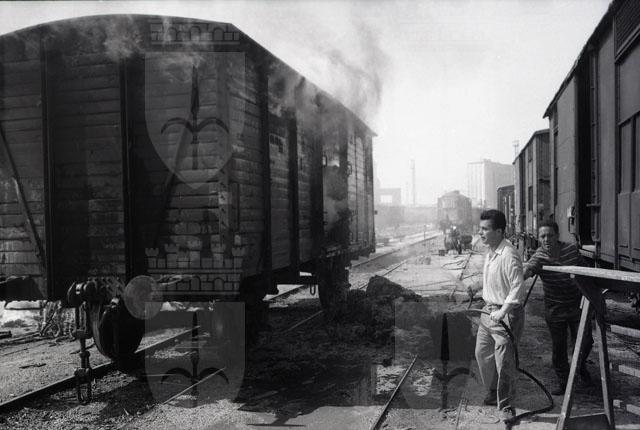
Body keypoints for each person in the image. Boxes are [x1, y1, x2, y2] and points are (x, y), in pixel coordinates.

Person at [523, 220, 593, 395]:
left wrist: (592, 294)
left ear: (557, 236)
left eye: (550, 235)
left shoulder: (571, 250)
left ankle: (580, 366)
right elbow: (527, 271)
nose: (546, 239)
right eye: (543, 236)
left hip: (576, 305)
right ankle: (564, 382)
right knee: (559, 348)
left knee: (586, 342)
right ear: (538, 238)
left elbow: (587, 271)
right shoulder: (539, 257)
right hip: (555, 308)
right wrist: (519, 274)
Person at [475, 209, 526, 422]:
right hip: (488, 311)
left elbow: (517, 288)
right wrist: (478, 288)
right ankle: (492, 391)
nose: (480, 233)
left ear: (498, 231)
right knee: (482, 353)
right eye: (480, 229)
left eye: (485, 229)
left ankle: (506, 405)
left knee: (504, 361)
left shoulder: (508, 254)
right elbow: (495, 281)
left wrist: (503, 312)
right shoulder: (490, 251)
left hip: (506, 314)